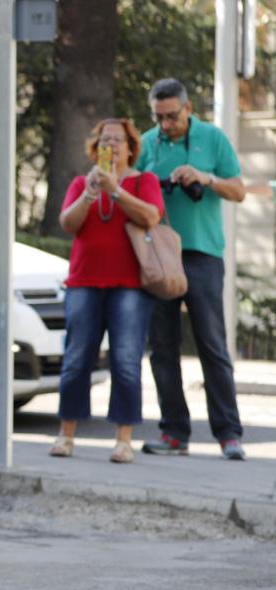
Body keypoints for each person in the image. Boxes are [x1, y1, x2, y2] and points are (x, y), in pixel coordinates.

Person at [134, 78, 247, 461]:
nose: (165, 124)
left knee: (212, 345)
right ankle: (174, 433)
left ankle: (229, 434)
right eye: (159, 117)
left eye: (172, 116)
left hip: (201, 255)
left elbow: (239, 189)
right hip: (159, 256)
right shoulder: (147, 143)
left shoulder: (213, 139)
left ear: (188, 108)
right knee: (162, 348)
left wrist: (204, 178)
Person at [52, 118, 165, 463]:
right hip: (84, 282)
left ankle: (123, 440)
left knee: (126, 361)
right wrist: (90, 193)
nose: (112, 145)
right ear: (95, 147)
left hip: (130, 286)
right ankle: (66, 435)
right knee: (75, 359)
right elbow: (68, 223)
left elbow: (151, 216)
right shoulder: (80, 182)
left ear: (131, 147)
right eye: (105, 140)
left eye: (118, 140)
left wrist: (116, 189)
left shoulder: (143, 181)